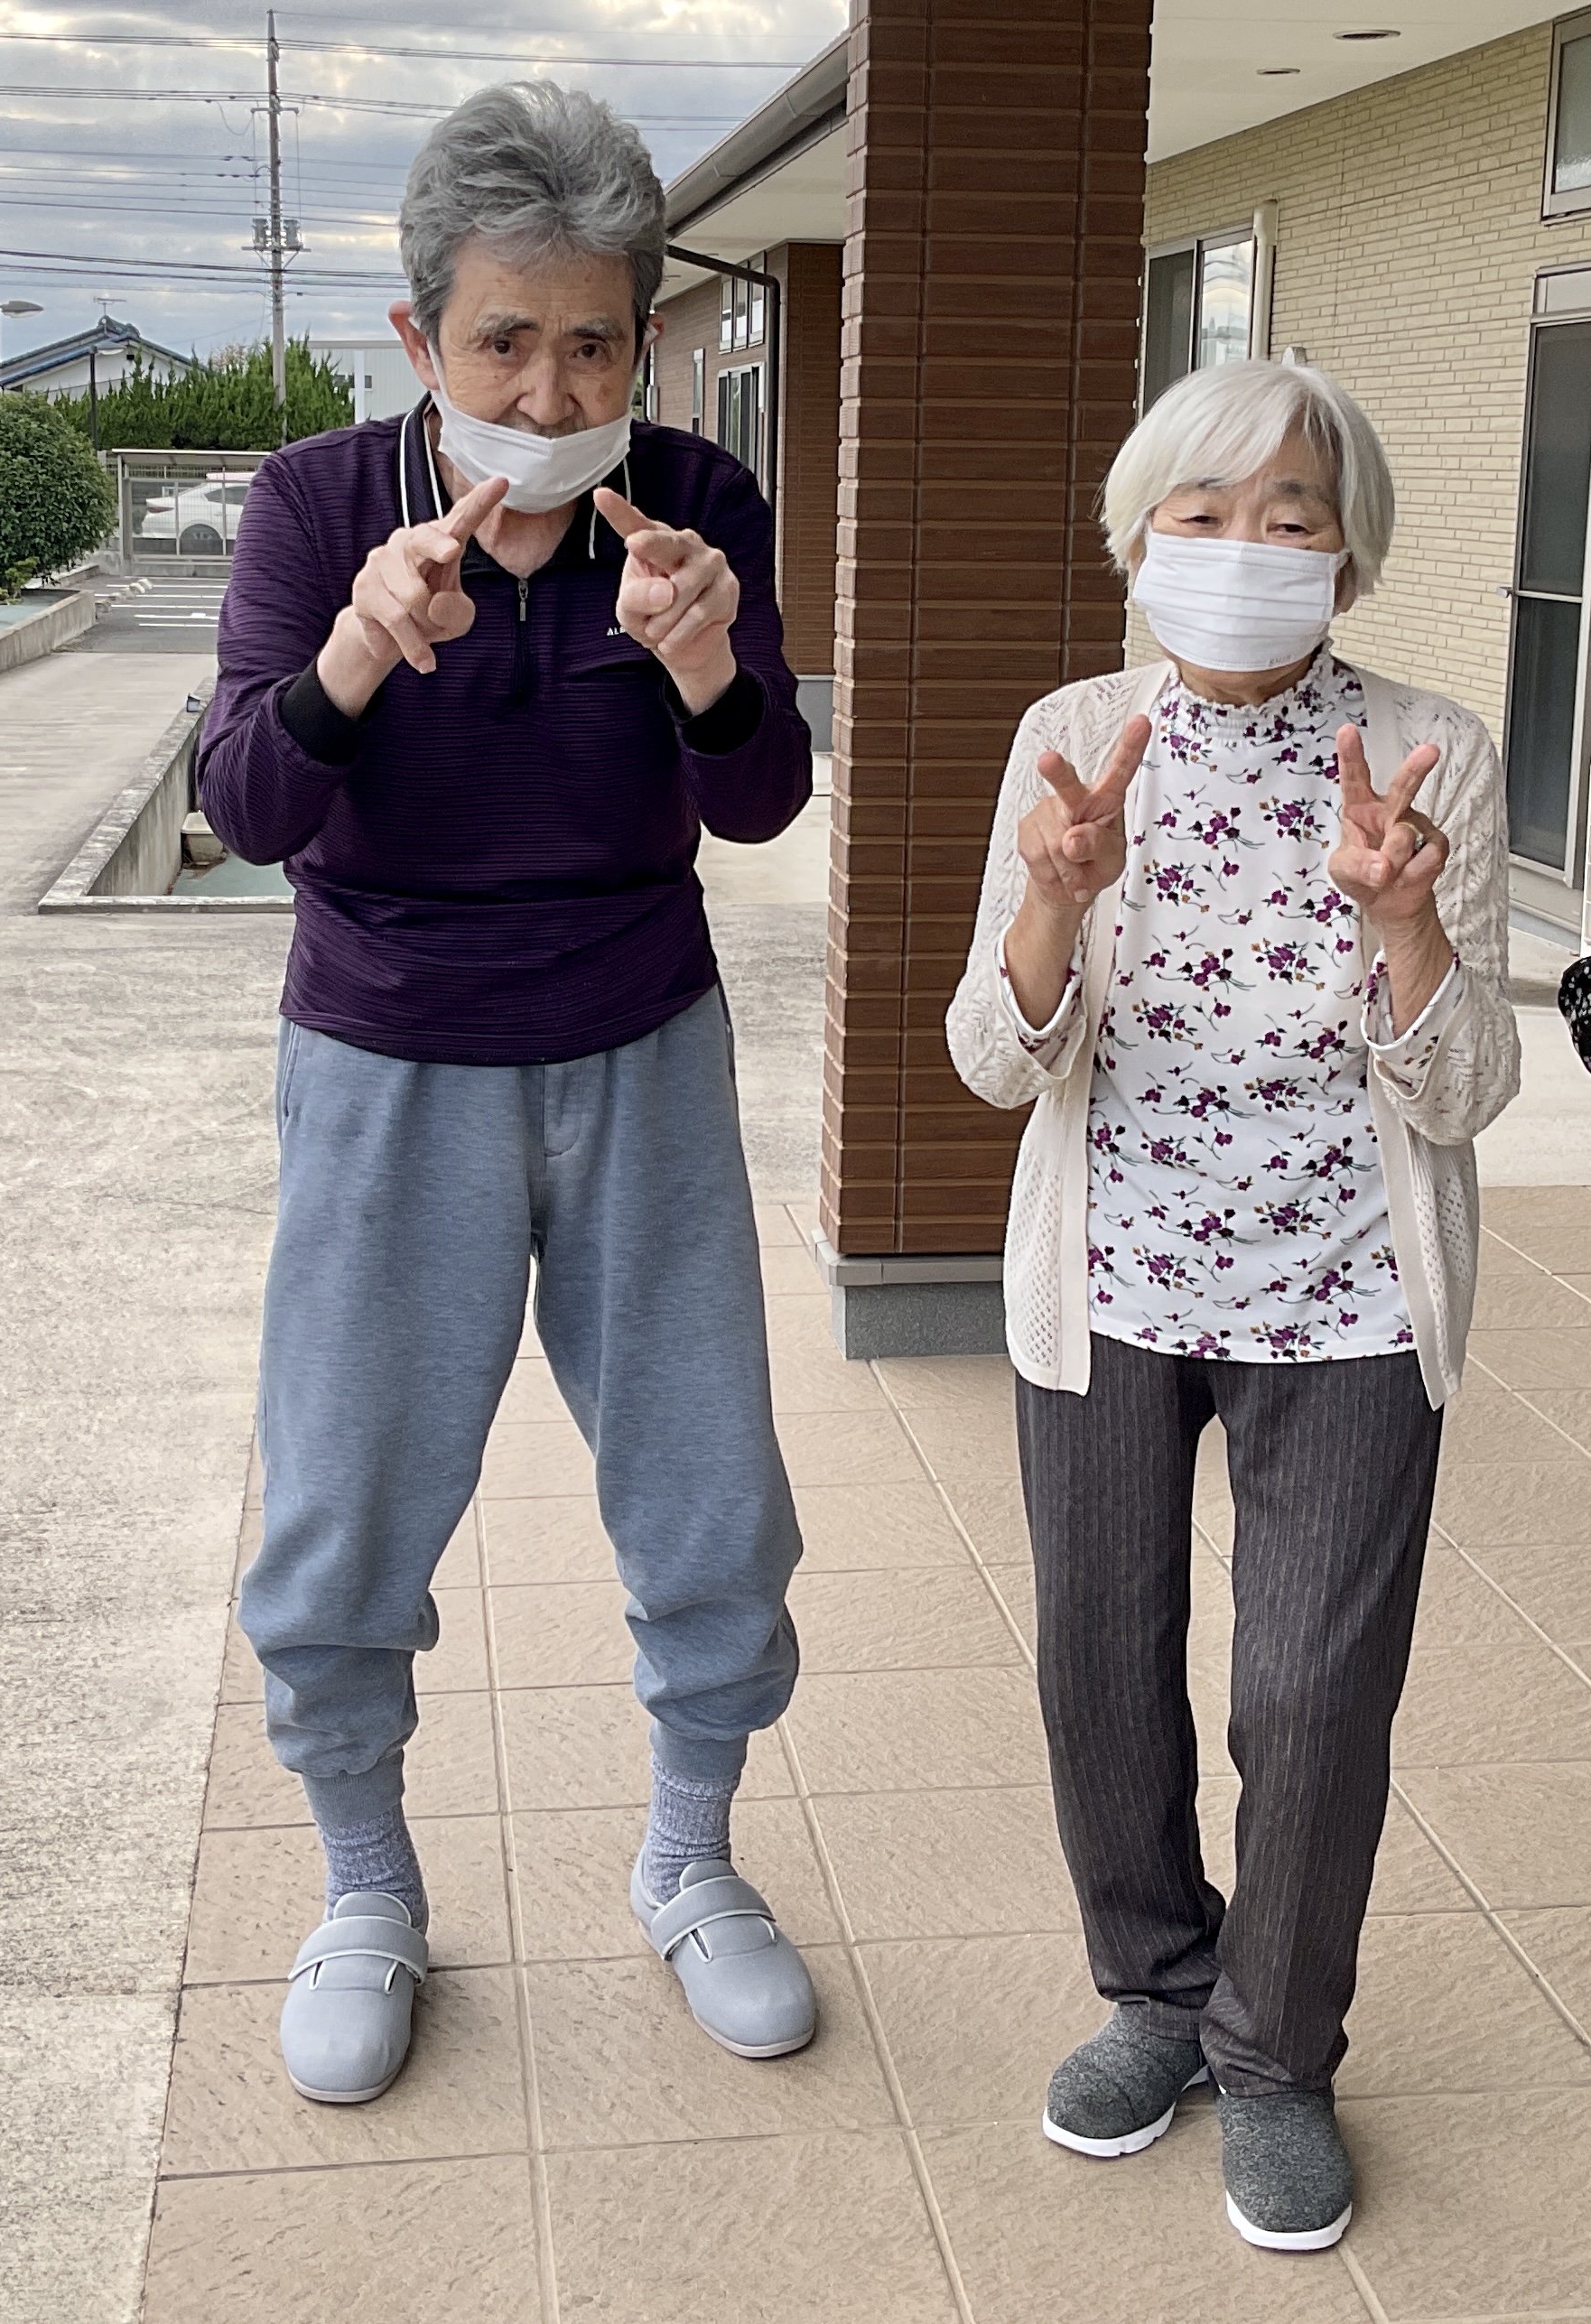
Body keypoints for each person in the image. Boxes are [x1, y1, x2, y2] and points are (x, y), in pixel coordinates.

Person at [199, 80, 817, 2106]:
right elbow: (241, 803)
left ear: (643, 342)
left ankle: (688, 1857)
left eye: (592, 345)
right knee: (345, 1498)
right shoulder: (314, 505)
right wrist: (354, 658)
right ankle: (365, 1889)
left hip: (640, 1037)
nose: (548, 391)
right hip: (385, 1056)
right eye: (501, 342)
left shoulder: (697, 504)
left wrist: (707, 668)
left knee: (706, 1480)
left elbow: (762, 799)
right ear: (417, 338)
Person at [946, 359, 1519, 2253]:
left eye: (1291, 518)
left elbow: (1466, 1093)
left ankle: (1273, 2053)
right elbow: (990, 1061)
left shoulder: (1431, 753)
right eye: (1199, 514)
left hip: (1350, 1298)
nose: (1242, 549)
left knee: (1312, 1695)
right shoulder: (1069, 734)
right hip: (1109, 1279)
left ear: (1346, 557)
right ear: (1136, 540)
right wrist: (1053, 897)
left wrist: (1404, 924)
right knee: (1098, 1667)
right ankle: (1154, 1992)